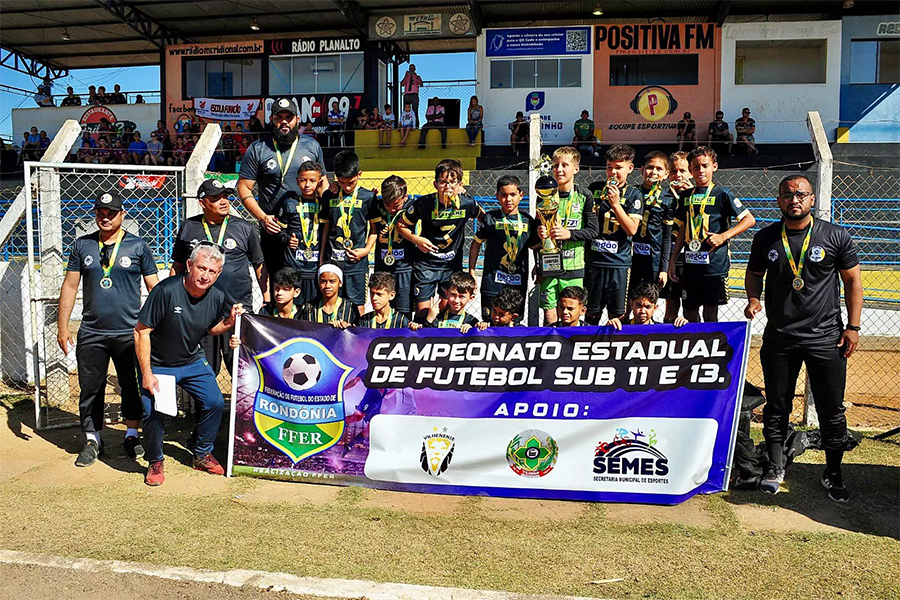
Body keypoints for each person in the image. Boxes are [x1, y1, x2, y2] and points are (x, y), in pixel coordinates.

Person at [745, 174, 862, 501]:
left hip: (826, 338)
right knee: (777, 405)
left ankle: (833, 472)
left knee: (831, 409)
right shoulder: (766, 238)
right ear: (778, 200)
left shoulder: (835, 235)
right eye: (787, 195)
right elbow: (753, 273)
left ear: (812, 199)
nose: (793, 199)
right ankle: (775, 467)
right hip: (780, 338)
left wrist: (853, 327)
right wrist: (753, 298)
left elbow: (853, 281)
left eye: (800, 194)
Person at [58, 190, 160, 467]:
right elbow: (70, 286)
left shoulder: (138, 246)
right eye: (101, 213)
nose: (106, 217)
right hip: (92, 331)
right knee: (90, 387)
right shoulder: (82, 245)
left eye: (112, 213)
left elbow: (154, 287)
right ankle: (93, 439)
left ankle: (131, 435)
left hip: (129, 332)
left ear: (122, 215)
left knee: (131, 385)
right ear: (95, 215)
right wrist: (62, 326)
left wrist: (159, 323)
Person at [135, 243, 244, 486]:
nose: (205, 276)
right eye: (201, 268)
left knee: (215, 402)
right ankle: (155, 460)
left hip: (192, 360)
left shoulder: (217, 296)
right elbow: (141, 331)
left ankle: (202, 453)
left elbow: (211, 328)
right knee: (152, 411)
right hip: (159, 364)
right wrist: (147, 373)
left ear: (218, 274)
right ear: (188, 265)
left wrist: (229, 321)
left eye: (212, 271)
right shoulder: (165, 291)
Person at [171, 179, 267, 378]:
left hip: (237, 310)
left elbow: (259, 264)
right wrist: (171, 300)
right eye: (216, 198)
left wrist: (266, 300)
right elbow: (178, 266)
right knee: (203, 369)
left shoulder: (244, 227)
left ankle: (242, 401)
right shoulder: (189, 227)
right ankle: (201, 399)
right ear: (202, 203)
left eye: (225, 197)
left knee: (243, 369)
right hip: (200, 311)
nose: (223, 202)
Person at [237, 97, 326, 284]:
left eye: (289, 117)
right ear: (271, 119)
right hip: (274, 228)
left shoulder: (312, 146)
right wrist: (263, 218)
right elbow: (243, 187)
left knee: (309, 283)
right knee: (276, 282)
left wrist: (328, 216)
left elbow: (323, 185)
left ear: (297, 120)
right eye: (279, 117)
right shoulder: (258, 148)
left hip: (308, 228)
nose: (284, 121)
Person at [668, 146, 756, 323]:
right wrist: (673, 259)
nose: (700, 170)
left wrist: (723, 236)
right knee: (689, 311)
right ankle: (696, 340)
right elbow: (683, 229)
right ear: (690, 170)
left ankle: (710, 341)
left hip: (714, 265)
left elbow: (749, 220)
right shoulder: (685, 196)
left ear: (714, 166)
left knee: (710, 313)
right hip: (690, 264)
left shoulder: (723, 194)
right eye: (696, 167)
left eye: (705, 166)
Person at [397, 159, 481, 312]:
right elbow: (401, 225)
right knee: (423, 312)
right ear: (435, 184)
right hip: (426, 264)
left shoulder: (467, 203)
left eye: (452, 182)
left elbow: (486, 220)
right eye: (443, 182)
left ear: (460, 184)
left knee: (445, 309)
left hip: (451, 265)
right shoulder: (423, 203)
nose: (447, 186)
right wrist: (417, 240)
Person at [538, 147, 598, 325]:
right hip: (549, 265)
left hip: (574, 267)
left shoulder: (584, 196)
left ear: (576, 168)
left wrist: (569, 234)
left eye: (565, 165)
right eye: (555, 165)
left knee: (571, 315)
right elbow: (536, 235)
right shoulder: (544, 194)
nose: (559, 170)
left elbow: (593, 231)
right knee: (549, 316)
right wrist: (539, 234)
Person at [585, 144, 643, 325]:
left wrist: (616, 204)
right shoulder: (595, 188)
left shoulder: (634, 194)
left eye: (618, 168)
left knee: (618, 317)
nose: (613, 172)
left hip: (618, 264)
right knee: (591, 314)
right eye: (609, 167)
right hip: (594, 261)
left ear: (630, 168)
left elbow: (632, 230)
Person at [469, 174, 535, 321]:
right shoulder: (490, 218)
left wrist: (538, 266)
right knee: (489, 323)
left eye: (513, 194)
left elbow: (536, 246)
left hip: (517, 283)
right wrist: (471, 271)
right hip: (492, 283)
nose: (508, 199)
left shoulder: (528, 221)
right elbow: (475, 244)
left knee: (513, 323)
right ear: (497, 196)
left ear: (521, 195)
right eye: (504, 195)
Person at [320, 151, 378, 315]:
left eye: (351, 183)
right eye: (342, 182)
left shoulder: (368, 197)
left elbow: (374, 230)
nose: (346, 187)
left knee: (357, 307)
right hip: (333, 262)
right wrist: (322, 259)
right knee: (331, 304)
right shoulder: (328, 195)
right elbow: (325, 229)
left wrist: (366, 250)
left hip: (356, 265)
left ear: (359, 174)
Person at [273, 160, 324, 307]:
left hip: (315, 269)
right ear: (297, 181)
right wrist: (287, 240)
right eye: (303, 180)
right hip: (293, 267)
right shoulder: (289, 204)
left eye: (312, 181)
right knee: (293, 309)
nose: (307, 185)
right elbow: (279, 232)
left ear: (319, 182)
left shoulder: (324, 204)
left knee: (312, 309)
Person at [629, 151, 674, 304]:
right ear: (642, 170)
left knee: (647, 302)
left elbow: (667, 237)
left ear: (666, 174)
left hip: (653, 259)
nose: (653, 172)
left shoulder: (668, 199)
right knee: (628, 301)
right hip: (630, 258)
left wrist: (664, 269)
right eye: (650, 167)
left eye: (659, 169)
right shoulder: (631, 193)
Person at [374, 175, 415, 316]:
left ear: (405, 197)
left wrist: (461, 193)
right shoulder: (376, 204)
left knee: (403, 311)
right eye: (388, 205)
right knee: (381, 309)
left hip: (404, 268)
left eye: (396, 205)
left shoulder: (413, 206)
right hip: (382, 267)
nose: (391, 209)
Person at [662, 151, 692, 324]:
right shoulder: (664, 197)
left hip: (692, 256)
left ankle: (694, 335)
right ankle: (668, 335)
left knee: (691, 308)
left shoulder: (697, 196)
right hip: (671, 255)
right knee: (671, 304)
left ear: (691, 173)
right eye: (674, 171)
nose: (678, 175)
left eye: (682, 171)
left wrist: (690, 194)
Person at [416, 271, 481, 332]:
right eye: (453, 294)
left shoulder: (472, 322)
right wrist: (429, 320)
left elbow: (479, 335)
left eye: (462, 296)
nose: (456, 300)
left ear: (471, 298)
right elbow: (425, 336)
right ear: (446, 293)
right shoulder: (437, 318)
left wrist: (472, 330)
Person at [609, 282, 688, 329]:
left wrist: (684, 326)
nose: (642, 311)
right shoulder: (621, 327)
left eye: (648, 307)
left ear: (655, 308)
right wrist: (610, 327)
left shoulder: (661, 330)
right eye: (639, 306)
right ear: (631, 304)